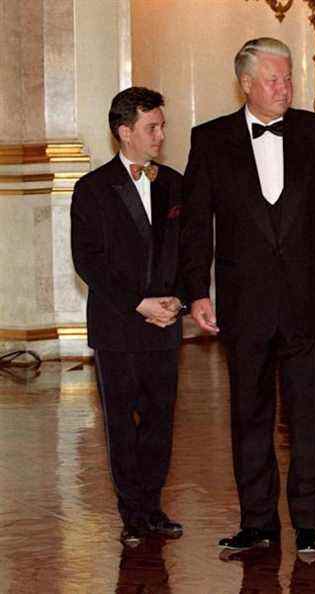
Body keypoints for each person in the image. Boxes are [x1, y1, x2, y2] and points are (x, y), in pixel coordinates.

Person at [179, 37, 315, 556]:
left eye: (288, 78)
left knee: (311, 416)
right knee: (249, 414)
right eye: (273, 79)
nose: (285, 87)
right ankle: (257, 522)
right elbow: (196, 225)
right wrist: (195, 291)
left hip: (309, 301)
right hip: (245, 305)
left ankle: (309, 523)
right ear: (245, 83)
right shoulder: (210, 139)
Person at [71, 87, 185, 547]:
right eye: (151, 127)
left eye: (161, 126)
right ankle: (131, 513)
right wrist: (140, 303)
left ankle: (153, 507)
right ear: (125, 132)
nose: (160, 135)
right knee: (122, 423)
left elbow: (190, 248)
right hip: (119, 326)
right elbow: (89, 261)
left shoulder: (175, 182)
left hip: (166, 322)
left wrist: (176, 298)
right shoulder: (92, 189)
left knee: (160, 420)